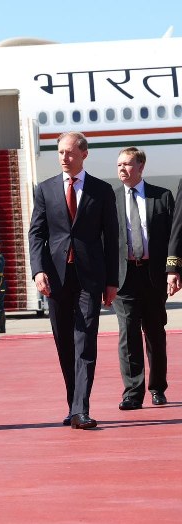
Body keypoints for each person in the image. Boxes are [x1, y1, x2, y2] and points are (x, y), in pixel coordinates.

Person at [28, 131, 119, 430]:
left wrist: (111, 282)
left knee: (85, 340)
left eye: (69, 152)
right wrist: (38, 270)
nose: (64, 158)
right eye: (60, 152)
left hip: (89, 278)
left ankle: (81, 408)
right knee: (64, 342)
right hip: (56, 278)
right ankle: (72, 404)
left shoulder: (102, 190)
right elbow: (36, 234)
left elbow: (111, 238)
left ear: (84, 154)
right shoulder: (45, 189)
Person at [112, 147, 173, 410]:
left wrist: (174, 270)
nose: (122, 169)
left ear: (140, 166)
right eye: (119, 165)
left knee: (155, 333)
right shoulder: (111, 199)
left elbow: (175, 237)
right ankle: (132, 393)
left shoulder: (162, 197)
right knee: (128, 335)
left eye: (127, 164)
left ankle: (157, 388)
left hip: (153, 275)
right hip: (124, 276)